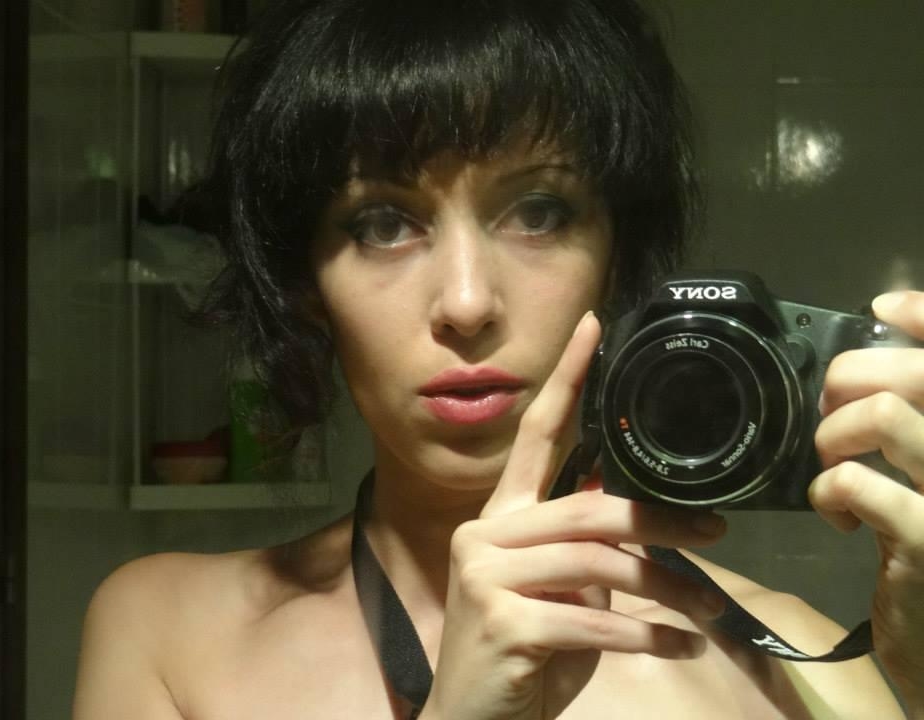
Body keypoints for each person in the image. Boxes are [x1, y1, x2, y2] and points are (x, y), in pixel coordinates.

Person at [73, 1, 924, 718]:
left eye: (540, 213)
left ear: (616, 262)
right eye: (382, 224)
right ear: (307, 284)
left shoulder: (807, 668)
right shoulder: (165, 637)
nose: (467, 302)